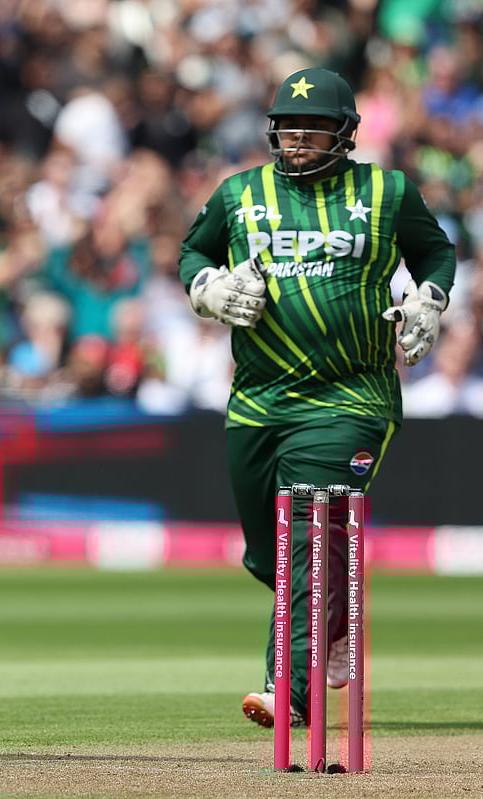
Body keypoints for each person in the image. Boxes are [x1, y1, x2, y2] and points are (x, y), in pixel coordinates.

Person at [178, 68, 455, 728]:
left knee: (304, 528)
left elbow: (436, 253)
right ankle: (330, 617)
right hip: (258, 397)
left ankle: (290, 690)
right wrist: (208, 288)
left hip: (352, 395)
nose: (298, 138)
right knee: (264, 552)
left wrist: (429, 298)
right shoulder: (240, 193)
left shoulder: (385, 191)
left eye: (315, 128)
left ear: (346, 133)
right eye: (288, 127)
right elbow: (192, 252)